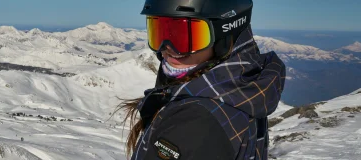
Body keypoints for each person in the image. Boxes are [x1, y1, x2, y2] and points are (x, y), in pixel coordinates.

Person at [115, 0, 286, 159]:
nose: (167, 48)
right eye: (160, 31)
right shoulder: (242, 89)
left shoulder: (193, 123)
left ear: (224, 36)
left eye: (186, 34)